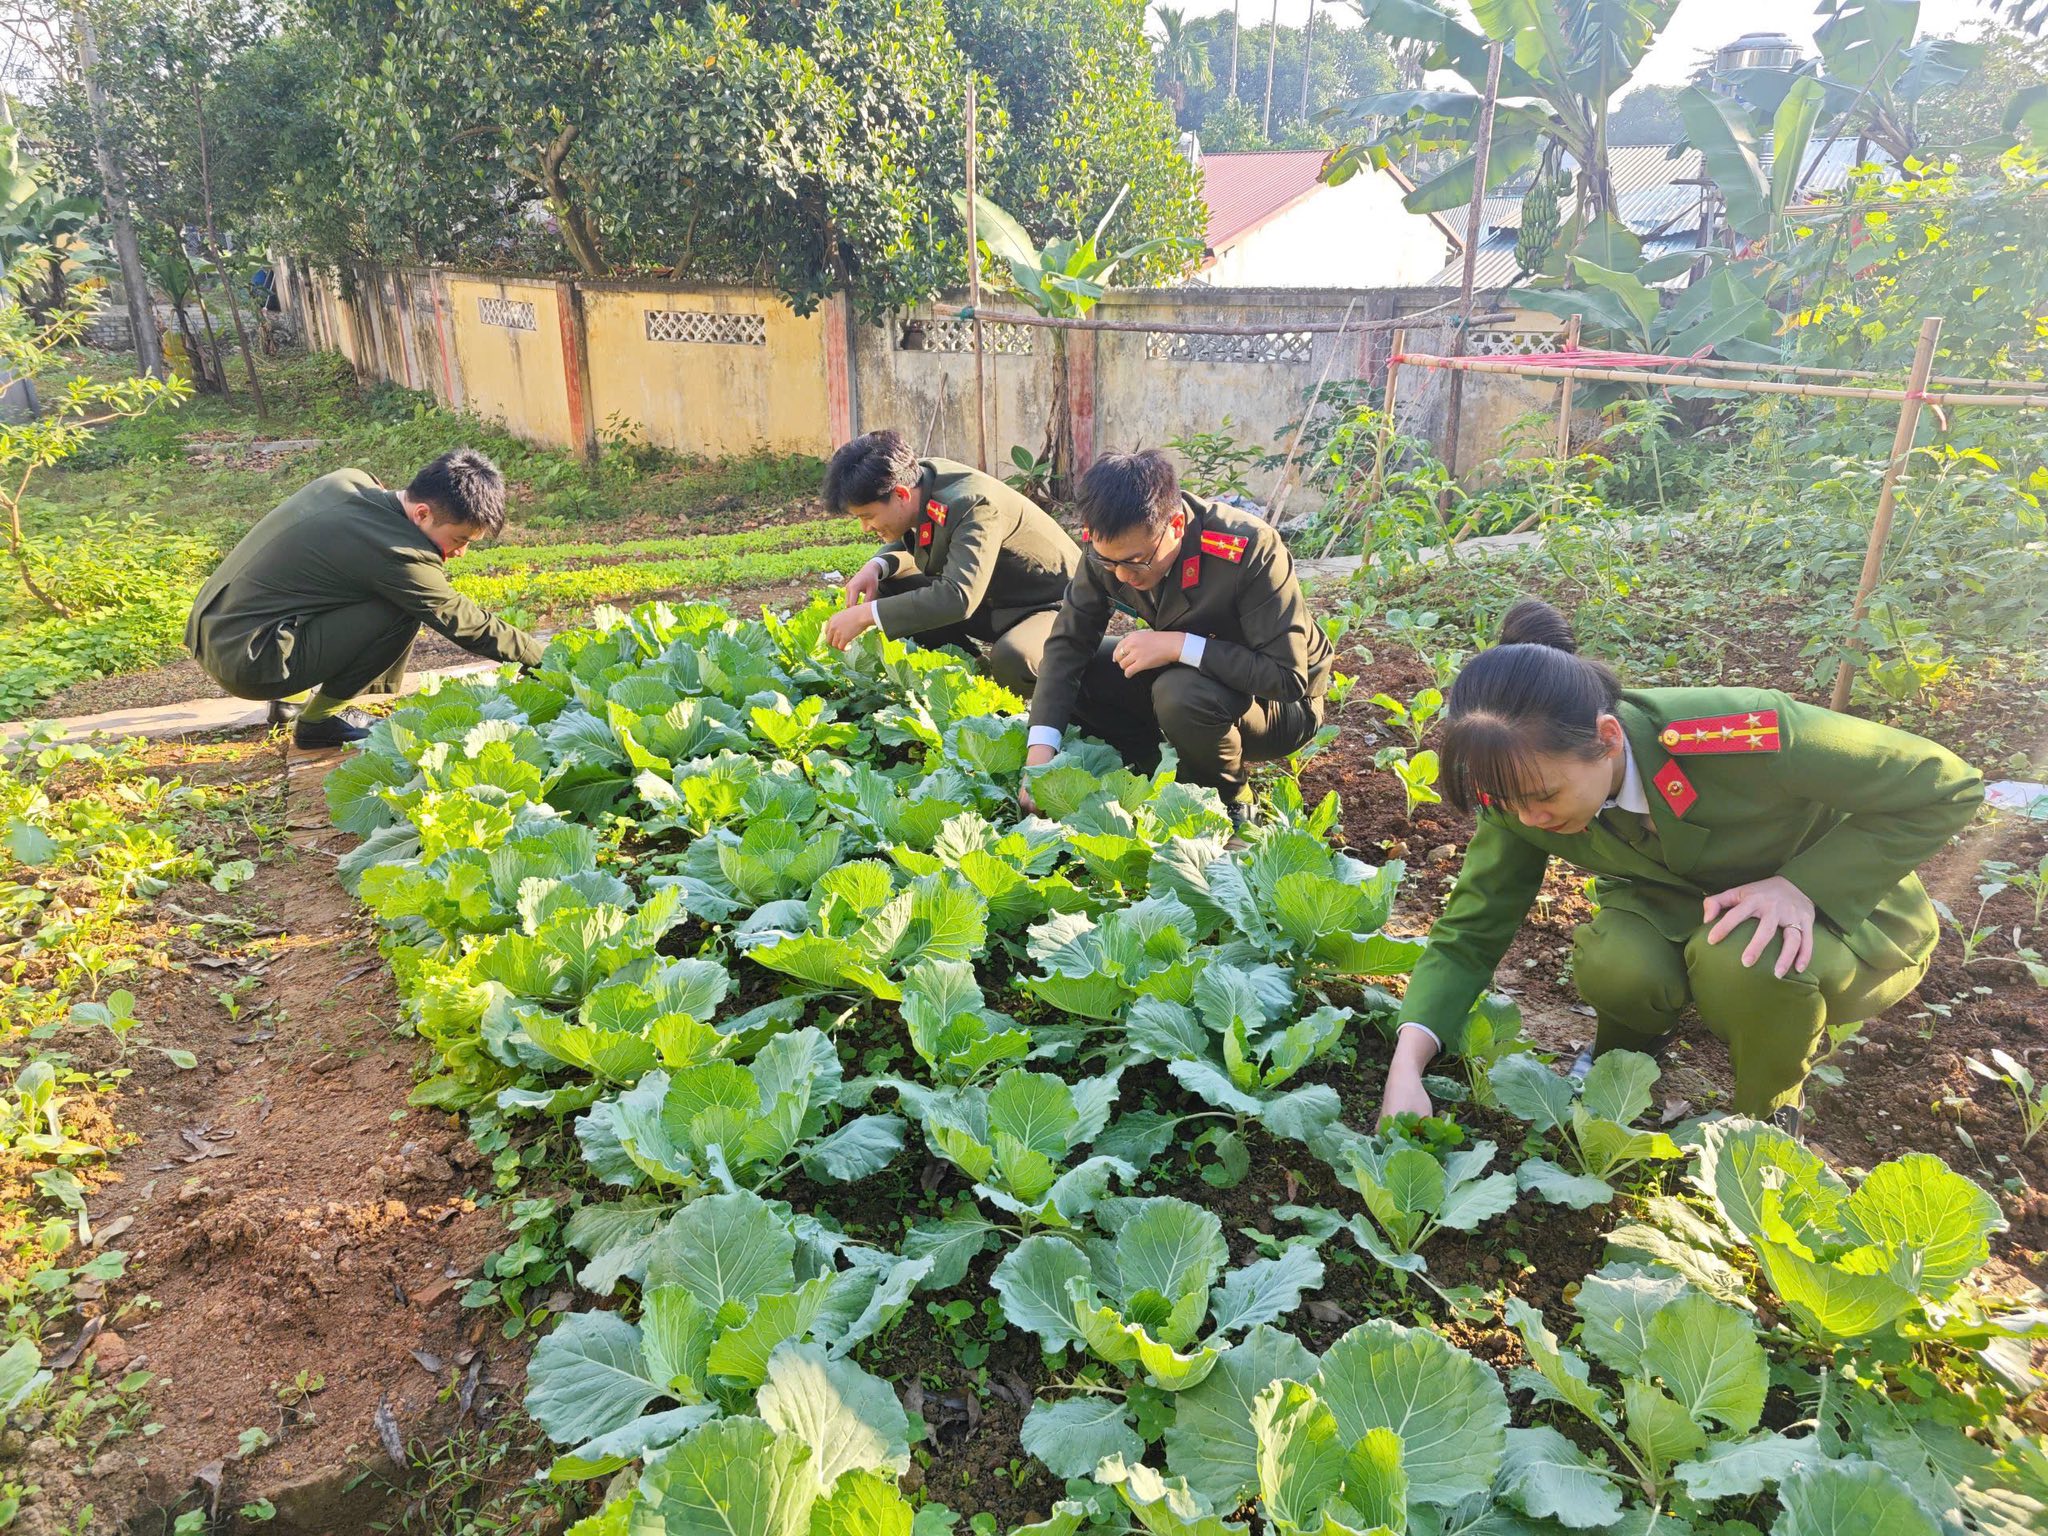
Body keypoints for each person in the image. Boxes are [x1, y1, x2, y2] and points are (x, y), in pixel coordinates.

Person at [1378, 598, 1983, 1135]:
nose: (1527, 818)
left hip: (1837, 922)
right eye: (1509, 803)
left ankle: (1767, 1118)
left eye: (1544, 797)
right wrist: (1407, 1066)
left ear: (1608, 738)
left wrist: (1803, 888)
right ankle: (1625, 1059)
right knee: (1616, 958)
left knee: (1749, 957)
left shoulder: (1740, 732)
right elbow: (1470, 930)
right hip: (1678, 905)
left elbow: (1946, 784)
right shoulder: (1514, 790)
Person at [1022, 448, 1331, 826]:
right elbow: (1069, 644)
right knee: (1068, 667)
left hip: (1277, 707)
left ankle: (1232, 803)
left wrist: (1180, 645)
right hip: (1197, 680)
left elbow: (1286, 678)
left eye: (1136, 562)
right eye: (1108, 562)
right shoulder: (1110, 548)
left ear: (1176, 527)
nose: (1120, 575)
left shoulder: (1249, 548)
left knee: (1181, 693)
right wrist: (1040, 752)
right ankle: (1155, 764)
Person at [186, 450, 545, 749]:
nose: (462, 552)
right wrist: (546, 661)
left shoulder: (350, 480)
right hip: (249, 662)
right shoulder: (395, 552)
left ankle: (289, 702)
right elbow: (462, 619)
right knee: (400, 608)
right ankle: (318, 723)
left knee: (337, 586)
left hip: (217, 627)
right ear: (422, 513)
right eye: (460, 539)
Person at [820, 431, 1080, 696]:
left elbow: (958, 597)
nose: (865, 528)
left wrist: (866, 615)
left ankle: (1043, 712)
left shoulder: (972, 503)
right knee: (887, 587)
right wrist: (876, 565)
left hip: (1053, 604)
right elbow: (923, 535)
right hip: (996, 596)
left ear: (900, 495)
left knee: (1014, 658)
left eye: (868, 516)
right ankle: (973, 676)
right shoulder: (919, 481)